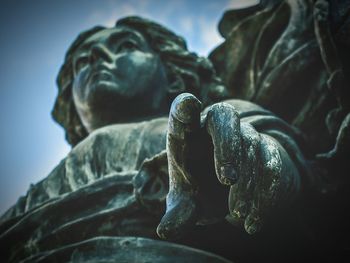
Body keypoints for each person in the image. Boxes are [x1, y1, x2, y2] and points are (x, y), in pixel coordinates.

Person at [0, 16, 312, 263]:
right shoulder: (35, 195)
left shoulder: (221, 118)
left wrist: (245, 162)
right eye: (81, 63)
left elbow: (293, 171)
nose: (95, 57)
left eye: (124, 45)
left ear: (173, 74)